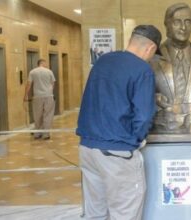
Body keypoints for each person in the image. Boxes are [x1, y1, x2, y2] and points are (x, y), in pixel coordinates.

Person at [76, 24, 161, 220]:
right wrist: (136, 140)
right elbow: (144, 115)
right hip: (116, 153)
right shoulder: (142, 70)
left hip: (88, 149)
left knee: (95, 213)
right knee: (125, 212)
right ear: (150, 48)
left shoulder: (102, 60)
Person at [150, 3, 191, 134]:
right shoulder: (152, 58)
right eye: (177, 22)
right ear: (167, 25)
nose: (183, 27)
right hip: (162, 128)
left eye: (188, 22)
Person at [23, 59, 55, 140]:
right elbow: (52, 83)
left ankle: (37, 133)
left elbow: (29, 84)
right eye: (45, 63)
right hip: (48, 95)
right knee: (48, 115)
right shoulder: (49, 71)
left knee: (37, 115)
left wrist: (25, 95)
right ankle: (46, 134)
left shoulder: (32, 72)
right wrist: (50, 91)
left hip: (37, 96)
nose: (46, 64)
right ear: (42, 63)